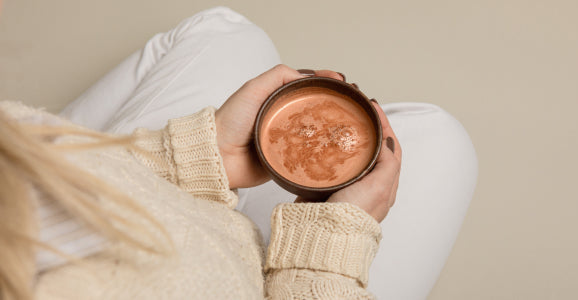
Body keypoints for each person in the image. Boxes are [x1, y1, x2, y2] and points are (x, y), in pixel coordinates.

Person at [0, 6, 478, 300]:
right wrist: (324, 259)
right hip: (237, 275)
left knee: (227, 28)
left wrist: (196, 160)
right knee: (438, 136)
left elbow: (32, 197)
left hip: (150, 212)